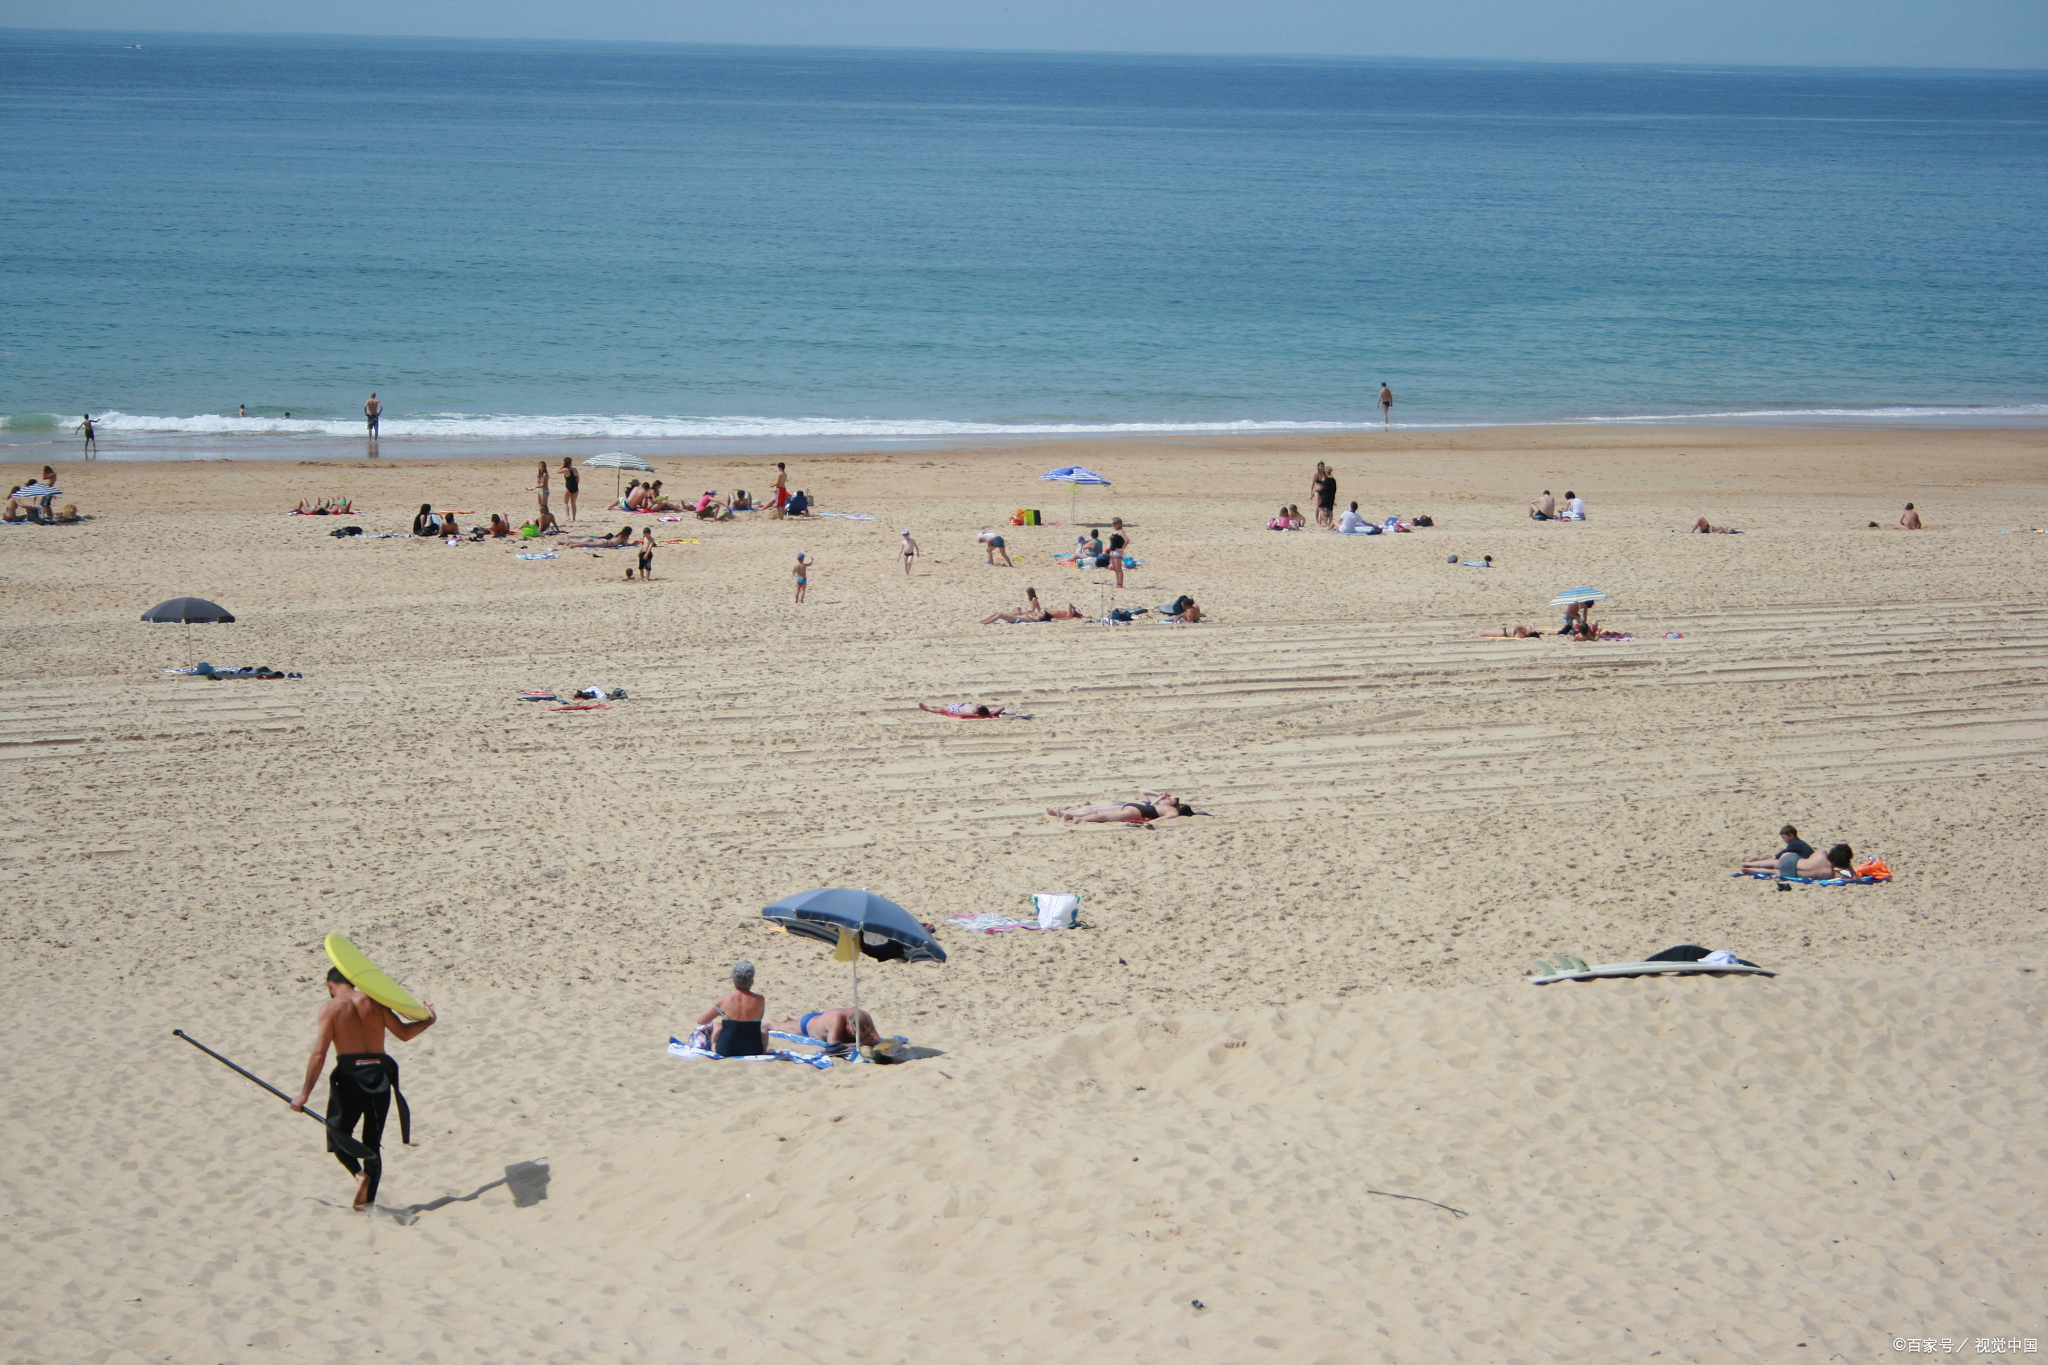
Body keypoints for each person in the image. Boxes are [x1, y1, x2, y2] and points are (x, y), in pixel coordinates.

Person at [288, 966, 438, 1211]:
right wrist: (429, 1020)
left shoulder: (331, 1008)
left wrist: (304, 1094)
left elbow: (319, 1054)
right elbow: (404, 1033)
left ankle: (359, 1176)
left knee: (338, 1136)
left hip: (350, 1079)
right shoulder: (375, 1002)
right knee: (372, 1144)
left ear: (330, 984)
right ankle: (367, 1205)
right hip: (379, 1078)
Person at [698, 962, 768, 1057]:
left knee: (716, 1024)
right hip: (754, 1050)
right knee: (763, 1029)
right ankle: (763, 1052)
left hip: (725, 1050)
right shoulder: (760, 1000)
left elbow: (701, 1020)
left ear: (734, 980)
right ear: (752, 981)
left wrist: (722, 1013)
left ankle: (714, 1046)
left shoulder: (724, 1000)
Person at [1047, 790, 1197, 824]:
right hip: (1140, 810)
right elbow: (1162, 819)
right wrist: (1150, 822)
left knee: (1099, 811)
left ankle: (1069, 815)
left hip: (1136, 806)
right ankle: (1076, 817)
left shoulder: (1165, 806)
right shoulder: (1173, 812)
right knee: (1106, 817)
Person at [775, 1007, 881, 1052]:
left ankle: (793, 1017)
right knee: (778, 1026)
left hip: (822, 1019)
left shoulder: (864, 1017)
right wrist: (861, 1044)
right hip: (807, 1025)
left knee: (822, 1021)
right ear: (848, 1025)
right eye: (854, 1033)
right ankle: (771, 1021)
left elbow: (877, 1039)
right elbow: (833, 1045)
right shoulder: (837, 1018)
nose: (855, 1036)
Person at [1740, 825, 1815, 873]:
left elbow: (1785, 851)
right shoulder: (1799, 843)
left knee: (1774, 863)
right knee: (1775, 870)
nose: (1784, 840)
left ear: (1791, 835)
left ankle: (1748, 864)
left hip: (1804, 864)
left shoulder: (1796, 843)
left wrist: (1774, 857)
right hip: (1804, 864)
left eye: (1784, 838)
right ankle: (1751, 867)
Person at [563, 524, 634, 548]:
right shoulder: (624, 536)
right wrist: (633, 544)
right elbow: (625, 544)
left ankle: (569, 542)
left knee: (588, 542)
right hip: (605, 543)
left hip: (604, 541)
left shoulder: (619, 535)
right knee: (587, 544)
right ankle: (573, 545)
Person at [921, 701, 1009, 718]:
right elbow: (1002, 707)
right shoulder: (987, 711)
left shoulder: (972, 712)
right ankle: (929, 708)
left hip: (954, 709)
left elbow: (962, 715)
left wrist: (974, 715)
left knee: (940, 709)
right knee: (942, 707)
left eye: (978, 705)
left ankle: (928, 709)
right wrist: (990, 713)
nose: (978, 704)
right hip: (960, 705)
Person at [560, 458, 579, 522]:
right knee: (573, 503)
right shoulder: (574, 469)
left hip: (568, 487)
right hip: (575, 487)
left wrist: (562, 466)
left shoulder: (566, 470)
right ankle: (574, 518)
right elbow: (578, 478)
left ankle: (567, 516)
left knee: (565, 502)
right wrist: (576, 484)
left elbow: (558, 472)